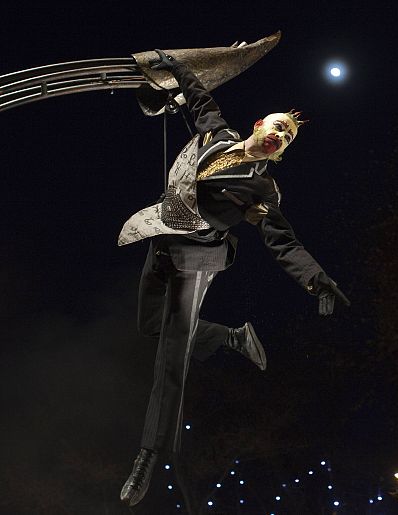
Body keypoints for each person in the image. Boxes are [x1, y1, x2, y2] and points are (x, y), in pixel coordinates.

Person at [118, 49, 350, 507]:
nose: (280, 134)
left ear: (281, 152)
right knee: (149, 326)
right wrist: (172, 62)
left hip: (198, 258)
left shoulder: (263, 189)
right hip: (163, 237)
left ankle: (147, 456)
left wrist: (317, 280)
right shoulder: (217, 136)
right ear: (259, 124)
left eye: (287, 136)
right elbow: (198, 94)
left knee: (172, 356)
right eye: (277, 125)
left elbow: (283, 241)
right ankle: (231, 338)